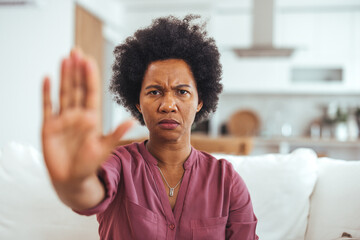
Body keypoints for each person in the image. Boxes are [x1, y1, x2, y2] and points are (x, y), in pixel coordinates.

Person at [41, 15, 258, 239]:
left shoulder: (227, 181)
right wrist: (74, 181)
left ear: (200, 101)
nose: (168, 105)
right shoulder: (118, 164)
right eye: (154, 92)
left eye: (182, 92)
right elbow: (87, 193)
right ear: (137, 102)